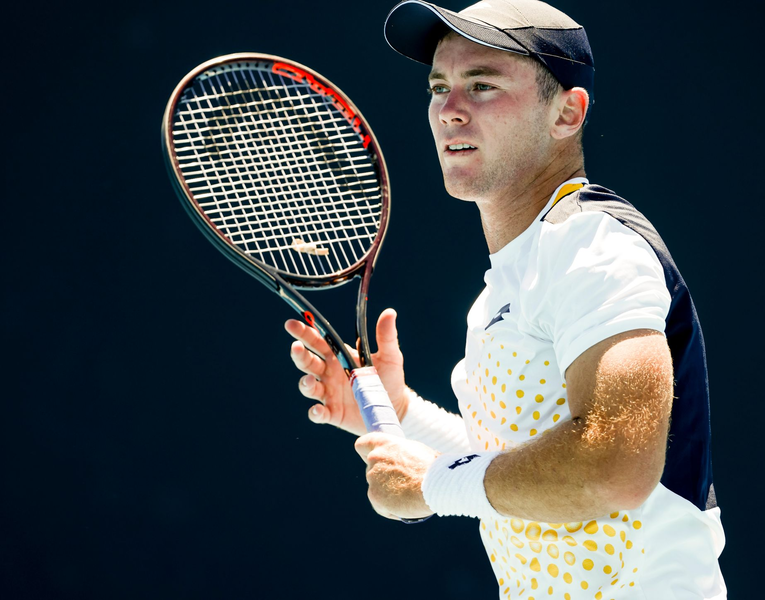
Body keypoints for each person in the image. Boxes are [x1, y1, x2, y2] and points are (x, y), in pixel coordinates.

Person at [285, 0, 726, 597]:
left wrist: (432, 483)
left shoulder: (592, 247)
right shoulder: (507, 285)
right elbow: (518, 466)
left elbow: (614, 463)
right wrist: (401, 415)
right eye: (438, 88)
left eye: (483, 85)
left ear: (567, 113)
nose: (449, 111)